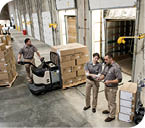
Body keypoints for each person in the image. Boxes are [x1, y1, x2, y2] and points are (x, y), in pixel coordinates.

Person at [97, 53, 122, 122]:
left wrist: (109, 81)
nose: (105, 61)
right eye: (104, 59)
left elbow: (119, 79)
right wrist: (100, 78)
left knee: (112, 102)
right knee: (108, 100)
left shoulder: (116, 67)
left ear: (111, 59)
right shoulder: (106, 65)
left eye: (106, 59)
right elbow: (104, 74)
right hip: (106, 87)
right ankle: (109, 110)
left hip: (112, 88)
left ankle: (112, 116)